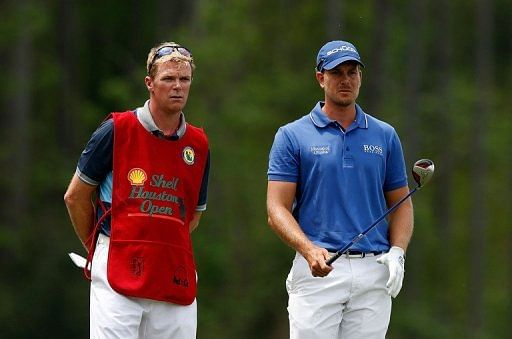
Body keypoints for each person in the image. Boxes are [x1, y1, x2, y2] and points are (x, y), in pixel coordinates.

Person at [266, 40, 413, 339]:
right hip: (319, 268)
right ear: (321, 78)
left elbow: (402, 204)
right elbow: (276, 208)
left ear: (360, 77)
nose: (345, 80)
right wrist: (308, 251)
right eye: (336, 73)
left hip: (374, 270)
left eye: (352, 72)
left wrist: (398, 252)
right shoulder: (292, 135)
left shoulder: (385, 135)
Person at [64, 41, 210, 339]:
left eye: (184, 79)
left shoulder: (198, 144)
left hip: (173, 272)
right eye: (168, 79)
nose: (178, 86)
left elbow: (192, 215)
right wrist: (102, 247)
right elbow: (76, 196)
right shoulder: (117, 129)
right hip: (117, 264)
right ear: (150, 83)